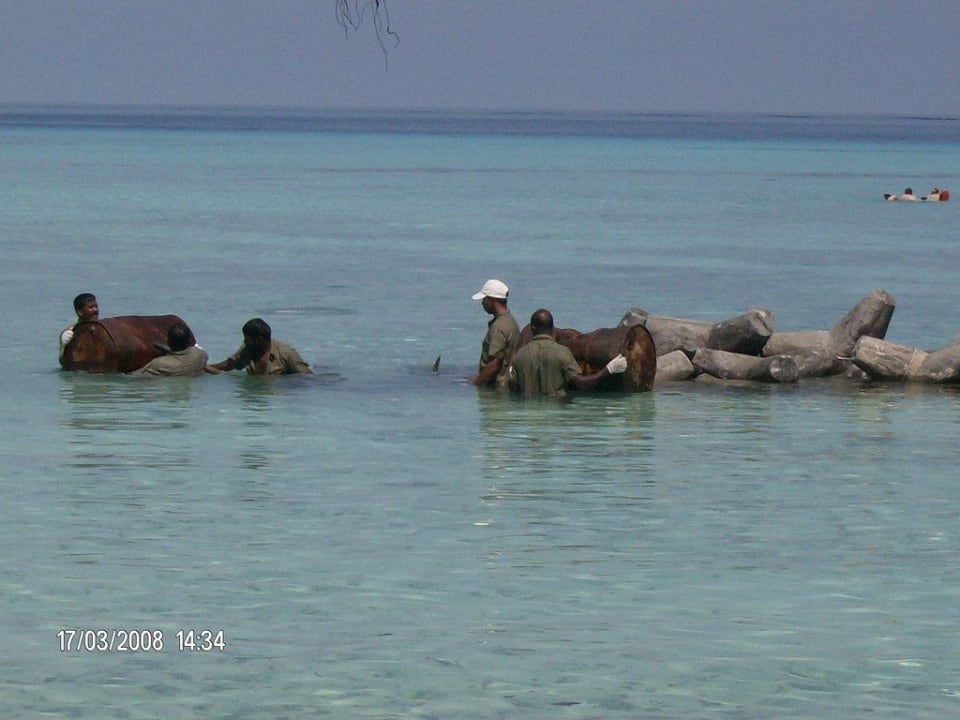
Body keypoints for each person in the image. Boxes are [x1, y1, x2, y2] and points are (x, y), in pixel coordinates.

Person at [508, 308, 628, 397]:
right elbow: (582, 383)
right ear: (552, 328)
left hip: (528, 417)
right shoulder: (562, 352)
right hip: (557, 415)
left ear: (532, 329)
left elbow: (513, 386)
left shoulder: (519, 356)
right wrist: (609, 369)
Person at [205, 318, 311, 375]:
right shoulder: (247, 350)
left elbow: (306, 378)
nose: (245, 341)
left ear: (260, 340)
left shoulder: (287, 354)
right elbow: (229, 364)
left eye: (248, 339)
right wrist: (203, 367)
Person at [469, 279, 520, 388]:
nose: (482, 303)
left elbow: (494, 365)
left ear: (492, 300)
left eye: (484, 299)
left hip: (496, 389)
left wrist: (477, 383)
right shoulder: (510, 321)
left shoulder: (498, 326)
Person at [131, 322, 208, 376]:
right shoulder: (200, 354)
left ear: (168, 342)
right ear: (189, 341)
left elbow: (133, 376)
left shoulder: (158, 364)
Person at [58, 293, 99, 359]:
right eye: (91, 307)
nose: (95, 310)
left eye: (96, 306)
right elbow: (62, 358)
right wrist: (64, 344)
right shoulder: (69, 333)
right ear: (79, 312)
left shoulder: (103, 329)